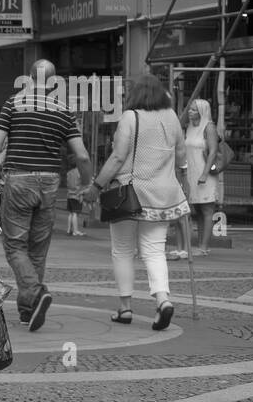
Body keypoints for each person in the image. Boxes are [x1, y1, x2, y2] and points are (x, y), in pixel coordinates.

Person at [0, 59, 93, 331]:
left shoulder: (14, 104)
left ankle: (35, 291)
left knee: (15, 246)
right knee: (38, 250)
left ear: (29, 78)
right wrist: (88, 184)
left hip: (19, 179)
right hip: (50, 183)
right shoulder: (62, 109)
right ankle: (28, 309)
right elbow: (82, 155)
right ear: (54, 81)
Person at [82, 73, 189, 330]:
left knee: (122, 250)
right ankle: (163, 300)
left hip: (129, 195)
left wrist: (96, 187)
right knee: (154, 250)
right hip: (164, 195)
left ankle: (125, 307)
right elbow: (181, 155)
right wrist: (185, 182)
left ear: (135, 95)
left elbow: (118, 158)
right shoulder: (172, 117)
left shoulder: (131, 117)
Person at [177, 98, 219, 257]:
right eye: (190, 108)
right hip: (191, 173)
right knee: (198, 210)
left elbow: (213, 151)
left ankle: (204, 246)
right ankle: (202, 245)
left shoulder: (209, 127)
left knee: (207, 209)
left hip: (204, 173)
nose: (190, 111)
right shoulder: (189, 127)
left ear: (202, 111)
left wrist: (204, 173)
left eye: (194, 109)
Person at [65, 160, 86, 236]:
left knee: (70, 213)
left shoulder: (69, 173)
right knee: (75, 213)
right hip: (76, 195)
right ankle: (75, 231)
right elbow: (82, 184)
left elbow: (67, 183)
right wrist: (81, 194)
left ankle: (68, 230)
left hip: (69, 194)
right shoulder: (79, 172)